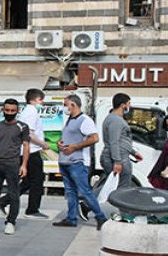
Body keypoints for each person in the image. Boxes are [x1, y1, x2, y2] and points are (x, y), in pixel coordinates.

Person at [53, 95, 108, 230]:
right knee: (71, 192)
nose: (64, 107)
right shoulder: (69, 120)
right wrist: (60, 143)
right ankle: (71, 218)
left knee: (85, 191)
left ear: (73, 104)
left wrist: (75, 147)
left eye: (66, 104)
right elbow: (70, 137)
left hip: (77, 161)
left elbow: (94, 138)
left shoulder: (85, 120)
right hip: (65, 161)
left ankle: (101, 217)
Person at [0, 99, 29, 235]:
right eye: (7, 110)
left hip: (13, 163)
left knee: (14, 194)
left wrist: (24, 165)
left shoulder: (22, 127)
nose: (9, 113)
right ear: (3, 110)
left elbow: (26, 146)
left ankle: (11, 222)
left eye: (12, 111)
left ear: (17, 111)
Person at [18, 88, 50, 219]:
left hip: (27, 150)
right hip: (31, 151)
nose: (42, 103)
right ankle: (32, 209)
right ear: (35, 100)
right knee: (37, 180)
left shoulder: (26, 111)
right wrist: (42, 144)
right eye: (41, 100)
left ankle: (4, 201)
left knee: (26, 182)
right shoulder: (31, 112)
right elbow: (29, 133)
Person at [101, 93, 143, 189]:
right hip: (119, 157)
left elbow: (121, 140)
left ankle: (89, 201)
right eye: (128, 103)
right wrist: (117, 161)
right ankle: (89, 201)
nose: (129, 106)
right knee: (122, 187)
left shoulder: (115, 119)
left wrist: (133, 152)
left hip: (119, 155)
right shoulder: (116, 120)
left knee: (112, 185)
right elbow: (114, 141)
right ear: (122, 105)